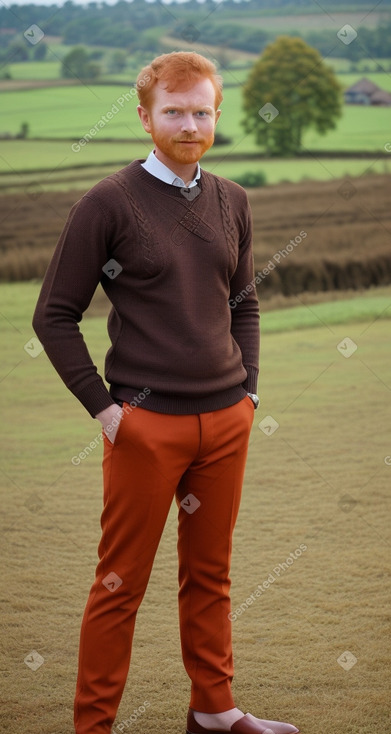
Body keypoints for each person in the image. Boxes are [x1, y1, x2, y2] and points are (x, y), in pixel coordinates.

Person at [33, 51, 299, 734]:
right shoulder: (107, 203)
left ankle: (213, 711)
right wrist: (105, 408)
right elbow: (54, 315)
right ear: (145, 116)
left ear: (216, 116)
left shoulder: (232, 199)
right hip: (145, 426)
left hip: (227, 419)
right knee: (119, 586)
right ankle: (92, 727)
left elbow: (243, 303)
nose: (189, 123)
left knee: (210, 576)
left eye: (201, 111)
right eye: (174, 111)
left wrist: (250, 395)